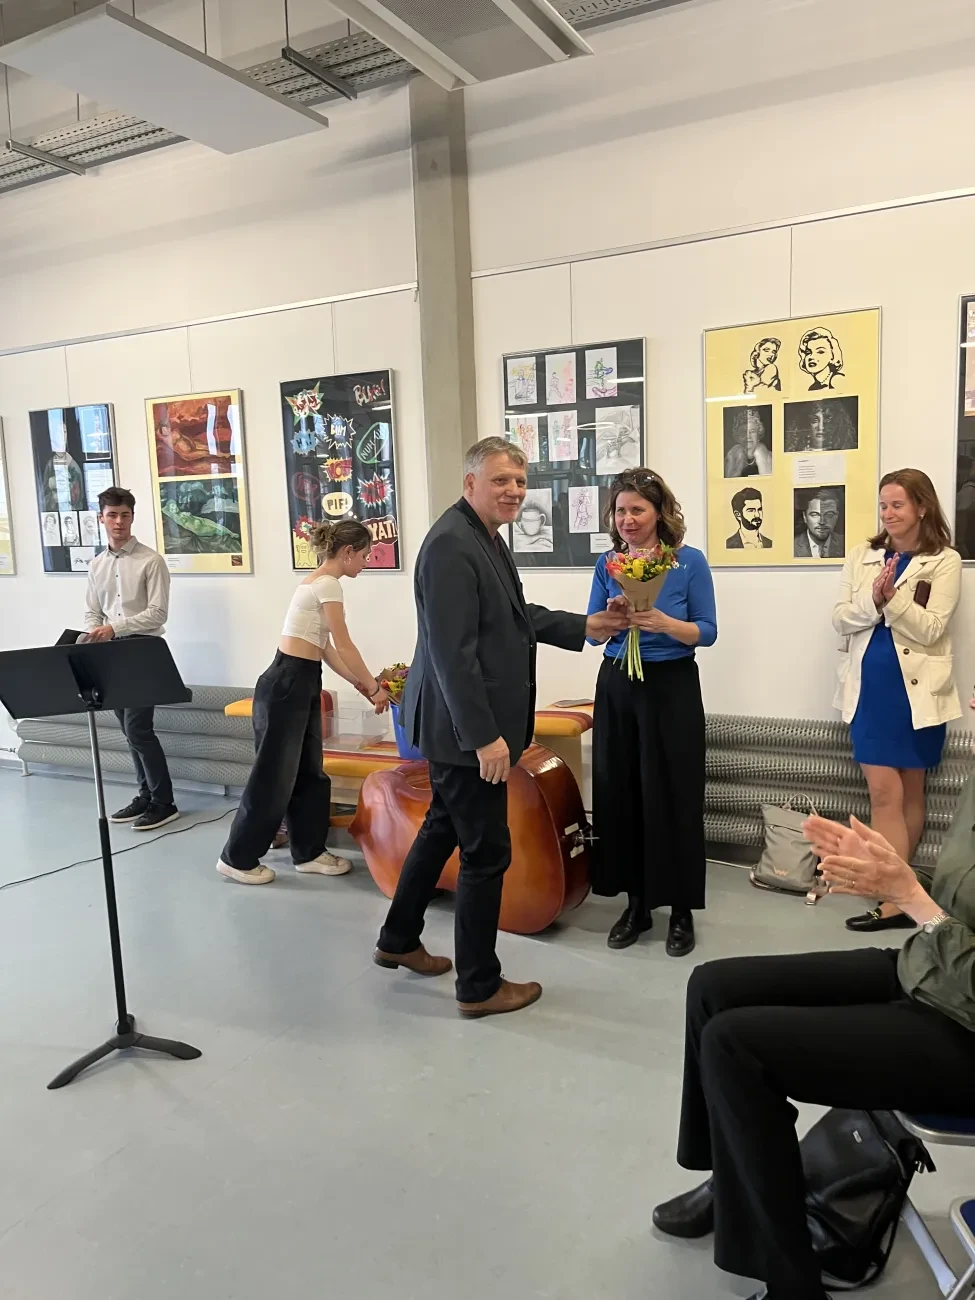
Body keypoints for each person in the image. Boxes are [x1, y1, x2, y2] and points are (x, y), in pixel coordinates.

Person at [650, 808, 975, 1300]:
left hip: (964, 1031)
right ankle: (732, 1183)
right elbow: (958, 901)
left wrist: (911, 895)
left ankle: (793, 1288)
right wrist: (882, 873)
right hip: (928, 971)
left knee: (735, 1046)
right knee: (712, 987)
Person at [373, 437, 627, 1018]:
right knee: (486, 853)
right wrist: (483, 737)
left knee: (441, 828)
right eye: (500, 480)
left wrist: (585, 625)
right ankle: (479, 985)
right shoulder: (450, 545)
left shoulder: (483, 537)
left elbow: (515, 617)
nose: (514, 490)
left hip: (460, 728)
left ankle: (398, 938)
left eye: (519, 480)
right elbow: (452, 654)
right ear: (470, 483)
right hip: (465, 732)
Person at [587, 469, 717, 956]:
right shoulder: (608, 563)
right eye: (620, 511)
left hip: (671, 686)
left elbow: (707, 631)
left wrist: (664, 623)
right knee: (621, 793)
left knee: (674, 793)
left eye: (637, 510)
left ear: (660, 513)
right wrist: (613, 618)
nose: (628, 519)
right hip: (618, 683)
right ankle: (636, 905)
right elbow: (591, 633)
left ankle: (680, 909)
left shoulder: (688, 561)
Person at [217, 519, 388, 886]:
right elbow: (344, 644)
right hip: (287, 683)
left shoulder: (317, 584)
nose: (366, 562)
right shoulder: (327, 585)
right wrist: (375, 688)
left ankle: (309, 851)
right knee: (274, 776)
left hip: (302, 679)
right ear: (347, 552)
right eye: (364, 555)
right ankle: (237, 858)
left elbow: (324, 648)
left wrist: (360, 684)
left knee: (310, 771)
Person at [833, 469, 961, 932]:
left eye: (898, 505)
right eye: (883, 505)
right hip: (871, 693)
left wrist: (894, 601)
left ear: (922, 508)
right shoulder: (863, 556)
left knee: (911, 790)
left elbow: (932, 629)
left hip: (918, 695)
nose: (887, 513)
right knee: (884, 792)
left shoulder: (944, 560)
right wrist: (875, 600)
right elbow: (841, 619)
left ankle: (902, 899)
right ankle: (894, 901)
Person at [83, 487, 178, 832]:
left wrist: (114, 627)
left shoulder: (151, 561)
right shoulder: (97, 565)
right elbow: (93, 611)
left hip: (142, 650)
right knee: (127, 729)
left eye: (125, 515)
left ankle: (164, 802)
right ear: (101, 518)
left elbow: (157, 613)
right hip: (110, 653)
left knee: (139, 728)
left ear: (132, 517)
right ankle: (145, 795)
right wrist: (93, 633)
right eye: (112, 515)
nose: (119, 521)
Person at [794, 489, 844, 558]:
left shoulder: (846, 543)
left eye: (829, 514)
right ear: (804, 517)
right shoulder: (790, 546)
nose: (822, 522)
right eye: (815, 514)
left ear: (837, 516)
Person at [724, 408, 772, 478]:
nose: (748, 436)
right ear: (738, 436)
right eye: (743, 432)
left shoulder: (772, 457)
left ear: (758, 434)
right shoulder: (731, 458)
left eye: (752, 431)